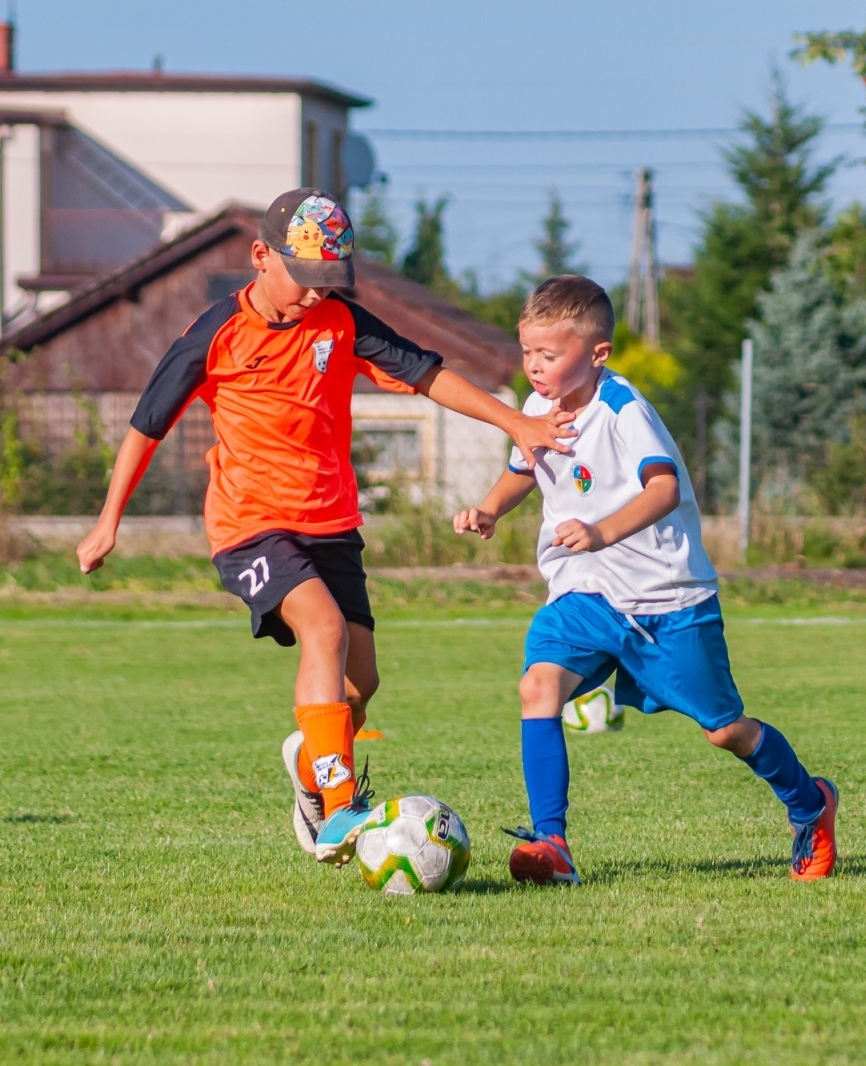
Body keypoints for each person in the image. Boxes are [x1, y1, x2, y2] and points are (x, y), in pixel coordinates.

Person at [76, 188, 574, 868]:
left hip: (331, 523)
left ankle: (313, 770)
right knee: (324, 630)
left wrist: (516, 422)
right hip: (250, 526)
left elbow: (427, 374)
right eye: (304, 279)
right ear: (261, 257)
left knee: (360, 685)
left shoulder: (341, 323)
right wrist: (108, 523)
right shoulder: (213, 336)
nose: (316, 295)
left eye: (328, 282)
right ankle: (341, 811)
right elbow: (144, 426)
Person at [452, 275, 838, 884]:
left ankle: (810, 803)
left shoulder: (624, 411)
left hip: (667, 601)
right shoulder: (533, 409)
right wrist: (491, 509)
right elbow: (525, 466)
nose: (534, 366)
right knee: (537, 688)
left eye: (549, 355)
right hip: (585, 594)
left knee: (725, 731)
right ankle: (551, 844)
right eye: (528, 351)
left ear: (597, 353)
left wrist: (603, 531)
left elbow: (664, 489)